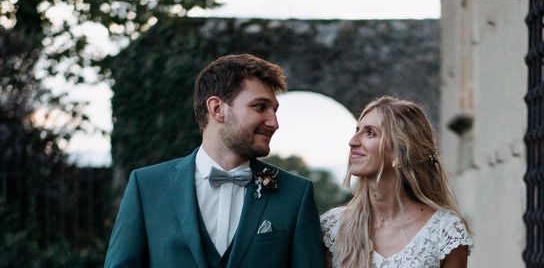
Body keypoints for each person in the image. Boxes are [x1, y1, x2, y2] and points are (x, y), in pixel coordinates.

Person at [105, 53, 325, 268]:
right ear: (217, 109)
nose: (274, 123)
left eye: (274, 111)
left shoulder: (295, 194)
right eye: (260, 107)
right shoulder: (147, 187)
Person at [320, 96, 472, 268]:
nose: (353, 142)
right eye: (357, 130)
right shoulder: (333, 227)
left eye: (370, 133)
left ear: (400, 151)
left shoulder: (445, 231)